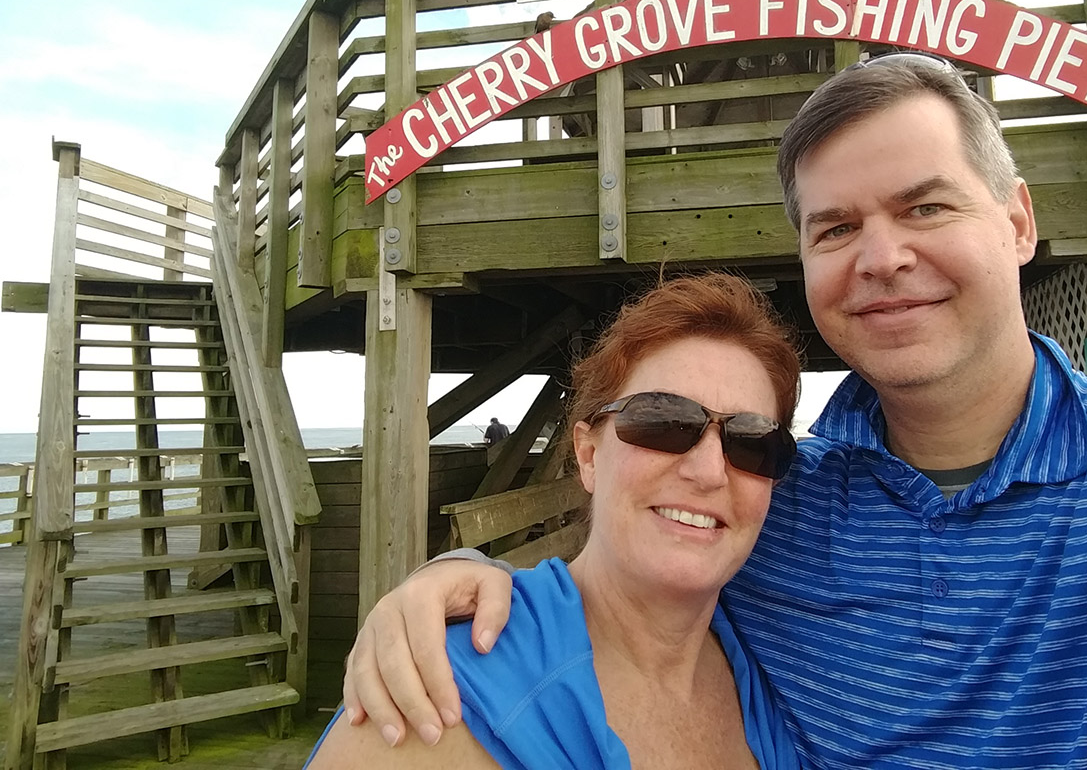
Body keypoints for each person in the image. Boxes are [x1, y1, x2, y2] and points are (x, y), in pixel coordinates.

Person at [341, 55, 1087, 768]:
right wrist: (454, 577)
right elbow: (629, 576)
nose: (882, 257)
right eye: (837, 227)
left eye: (926, 208)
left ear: (1019, 222)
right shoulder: (779, 506)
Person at [308, 273, 802, 769]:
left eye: (754, 442)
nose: (709, 471)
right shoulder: (436, 695)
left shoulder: (777, 671)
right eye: (662, 421)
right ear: (588, 455)